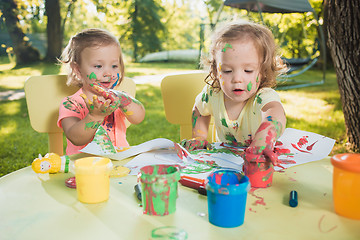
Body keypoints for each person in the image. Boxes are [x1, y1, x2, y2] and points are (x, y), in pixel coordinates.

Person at [181, 20, 287, 169]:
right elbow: (199, 110)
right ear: (216, 71)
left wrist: (263, 140)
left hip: (259, 163)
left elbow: (275, 113)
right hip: (224, 164)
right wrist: (199, 136)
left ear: (262, 72)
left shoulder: (263, 96)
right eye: (227, 71)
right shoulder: (213, 94)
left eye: (248, 71)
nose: (237, 79)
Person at [58, 28, 145, 155]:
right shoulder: (72, 103)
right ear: (78, 70)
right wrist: (95, 116)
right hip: (87, 169)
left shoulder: (118, 99)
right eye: (98, 66)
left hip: (119, 166)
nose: (108, 73)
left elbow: (138, 118)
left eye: (114, 66)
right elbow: (75, 138)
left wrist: (123, 99)